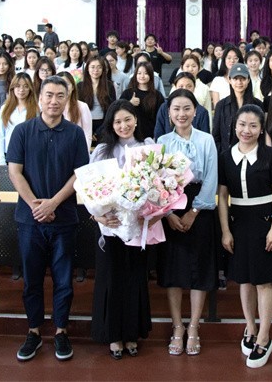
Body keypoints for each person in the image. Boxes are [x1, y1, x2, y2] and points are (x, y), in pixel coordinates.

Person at [8, 76, 90, 362]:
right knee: (31, 280)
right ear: (39, 97)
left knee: (64, 280)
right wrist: (36, 206)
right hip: (29, 220)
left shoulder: (75, 134)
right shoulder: (22, 131)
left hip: (64, 218)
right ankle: (33, 331)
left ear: (67, 99)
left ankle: (60, 331)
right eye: (49, 95)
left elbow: (80, 174)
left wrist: (53, 203)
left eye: (60, 96)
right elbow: (14, 171)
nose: (54, 101)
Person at [218, 104, 272, 368]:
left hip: (265, 221)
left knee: (263, 282)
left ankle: (264, 337)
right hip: (238, 222)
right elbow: (222, 196)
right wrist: (225, 230)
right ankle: (250, 327)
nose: (246, 130)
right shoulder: (226, 156)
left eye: (252, 125)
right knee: (244, 280)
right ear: (234, 126)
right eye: (242, 124)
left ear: (261, 129)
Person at [89, 101, 155, 360]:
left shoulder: (147, 148)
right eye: (117, 121)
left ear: (136, 120)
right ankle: (113, 335)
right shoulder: (102, 151)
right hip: (110, 226)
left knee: (134, 279)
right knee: (111, 280)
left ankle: (131, 333)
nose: (123, 125)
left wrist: (150, 209)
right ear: (111, 124)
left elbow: (156, 187)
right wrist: (98, 215)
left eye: (128, 119)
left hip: (137, 227)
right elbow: (89, 188)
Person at [157, 90, 219, 357]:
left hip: (199, 207)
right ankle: (177, 326)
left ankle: (193, 326)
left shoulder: (206, 139)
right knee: (173, 270)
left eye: (186, 108)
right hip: (169, 207)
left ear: (195, 111)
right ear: (169, 113)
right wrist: (168, 213)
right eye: (176, 109)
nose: (181, 114)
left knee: (199, 269)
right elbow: (156, 181)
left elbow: (212, 178)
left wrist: (194, 211)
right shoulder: (162, 141)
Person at [213, 64, 263, 154]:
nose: (239, 82)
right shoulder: (221, 105)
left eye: (243, 79)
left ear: (248, 80)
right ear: (229, 80)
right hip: (227, 155)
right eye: (235, 79)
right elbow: (216, 135)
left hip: (252, 154)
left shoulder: (258, 104)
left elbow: (261, 132)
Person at [0, 73, 37, 165]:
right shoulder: (5, 108)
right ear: (12, 88)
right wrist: (1, 159)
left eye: (26, 86)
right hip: (9, 154)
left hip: (29, 156)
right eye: (18, 86)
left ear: (30, 88)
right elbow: (0, 135)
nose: (21, 90)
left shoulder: (36, 109)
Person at [154, 72, 209, 139]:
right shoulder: (164, 107)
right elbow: (158, 134)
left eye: (189, 86)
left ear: (194, 88)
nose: (184, 89)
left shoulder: (202, 112)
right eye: (181, 86)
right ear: (175, 87)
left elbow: (204, 137)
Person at [119, 62, 164, 140]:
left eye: (146, 73)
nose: (142, 76)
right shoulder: (128, 93)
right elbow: (118, 111)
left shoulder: (157, 95)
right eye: (139, 73)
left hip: (150, 136)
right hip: (130, 135)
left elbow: (160, 117)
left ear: (150, 75)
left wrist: (156, 134)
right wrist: (129, 103)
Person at [78, 57, 116, 138]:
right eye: (92, 67)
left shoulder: (109, 86)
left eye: (99, 67)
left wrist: (100, 131)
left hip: (104, 125)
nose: (96, 70)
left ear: (103, 69)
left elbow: (112, 108)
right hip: (85, 124)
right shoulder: (80, 86)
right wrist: (88, 131)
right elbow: (78, 109)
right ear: (87, 69)